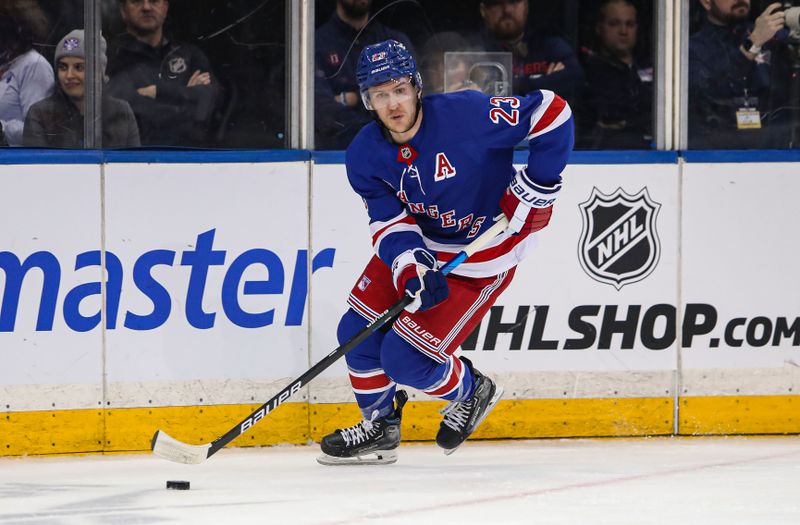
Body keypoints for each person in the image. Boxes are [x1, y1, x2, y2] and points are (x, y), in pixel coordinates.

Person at [317, 40, 573, 465]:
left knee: (405, 359)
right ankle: (380, 428)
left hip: (486, 249)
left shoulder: (467, 114)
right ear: (367, 101)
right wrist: (411, 267)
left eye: (399, 89)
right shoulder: (363, 154)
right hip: (426, 248)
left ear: (417, 87)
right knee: (355, 335)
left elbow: (552, 112)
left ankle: (472, 390)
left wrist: (538, 185)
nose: (393, 104)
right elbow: (390, 222)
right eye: (380, 95)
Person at [106, 0, 222, 147]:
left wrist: (159, 92)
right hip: (132, 161)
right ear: (123, 11)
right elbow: (123, 111)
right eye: (136, 1)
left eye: (154, 1)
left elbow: (210, 102)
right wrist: (187, 98)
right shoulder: (111, 57)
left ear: (165, 8)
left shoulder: (190, 55)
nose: (146, 7)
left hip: (191, 159)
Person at [315, 0, 414, 149]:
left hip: (394, 151)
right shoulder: (315, 43)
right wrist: (378, 107)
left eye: (379, 95)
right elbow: (323, 113)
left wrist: (353, 98)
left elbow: (412, 102)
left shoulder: (395, 43)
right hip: (334, 157)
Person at [689, 0, 787, 149]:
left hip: (774, 149)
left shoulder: (770, 37)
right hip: (714, 154)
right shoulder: (693, 48)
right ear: (707, 2)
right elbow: (708, 94)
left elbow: (786, 95)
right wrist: (752, 44)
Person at [23, 30, 140, 148]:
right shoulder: (40, 114)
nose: (69, 75)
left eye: (79, 67)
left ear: (99, 72)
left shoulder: (121, 112)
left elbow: (135, 164)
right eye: (63, 67)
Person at [471, 0, 583, 104]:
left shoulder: (549, 45)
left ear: (526, 5)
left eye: (513, 1)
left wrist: (509, 87)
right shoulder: (473, 50)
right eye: (496, 3)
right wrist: (543, 85)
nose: (507, 10)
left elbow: (575, 78)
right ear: (483, 10)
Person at [581, 0, 653, 149]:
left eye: (630, 24)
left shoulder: (655, 65)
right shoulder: (588, 72)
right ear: (599, 28)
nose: (623, 31)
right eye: (614, 23)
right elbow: (611, 115)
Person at [0, 8, 54, 146]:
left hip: (21, 162)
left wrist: (3, 129)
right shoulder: (6, 64)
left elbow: (38, 130)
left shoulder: (34, 65)